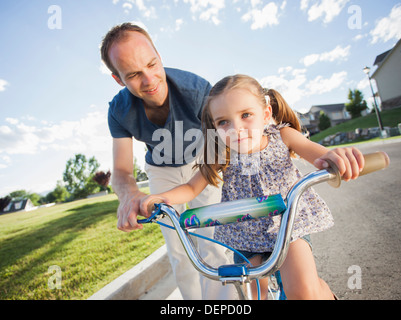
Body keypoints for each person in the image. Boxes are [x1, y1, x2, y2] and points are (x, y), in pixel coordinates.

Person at [140, 74, 365, 300]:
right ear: (215, 127)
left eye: (246, 115)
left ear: (266, 114)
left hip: (288, 227)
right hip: (246, 236)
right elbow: (190, 188)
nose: (236, 128)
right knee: (254, 295)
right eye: (223, 122)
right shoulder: (222, 153)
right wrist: (158, 198)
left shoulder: (283, 136)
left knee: (303, 292)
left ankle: (322, 291)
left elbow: (318, 154)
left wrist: (335, 158)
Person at [100, 22, 237, 300]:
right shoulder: (118, 111)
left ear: (160, 57)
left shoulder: (198, 91)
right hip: (161, 168)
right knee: (178, 250)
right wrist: (129, 195)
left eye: (152, 64)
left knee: (211, 240)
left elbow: (220, 148)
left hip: (203, 160)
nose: (150, 80)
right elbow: (122, 171)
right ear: (118, 79)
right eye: (135, 74)